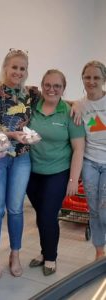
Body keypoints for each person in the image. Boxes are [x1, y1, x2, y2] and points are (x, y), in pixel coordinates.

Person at [26, 69, 85, 275]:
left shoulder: (70, 112)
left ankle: (51, 256)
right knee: (42, 215)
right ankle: (44, 251)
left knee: (48, 216)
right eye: (48, 85)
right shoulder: (32, 106)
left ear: (63, 88)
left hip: (58, 172)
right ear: (42, 86)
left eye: (57, 86)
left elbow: (78, 148)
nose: (52, 89)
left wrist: (73, 179)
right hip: (32, 172)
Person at [0, 49, 39, 278]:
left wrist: (77, 106)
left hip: (22, 158)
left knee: (16, 209)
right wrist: (10, 134)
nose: (18, 72)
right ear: (5, 68)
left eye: (22, 68)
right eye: (14, 67)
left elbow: (57, 99)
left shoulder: (30, 94)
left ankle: (15, 254)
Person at [79, 61, 106, 260]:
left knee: (104, 210)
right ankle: (99, 251)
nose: (91, 81)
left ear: (103, 80)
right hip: (89, 162)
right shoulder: (80, 105)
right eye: (87, 77)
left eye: (96, 77)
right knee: (94, 209)